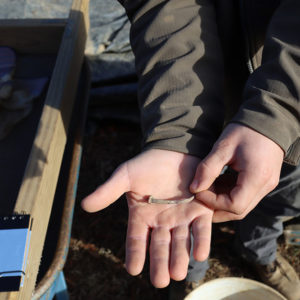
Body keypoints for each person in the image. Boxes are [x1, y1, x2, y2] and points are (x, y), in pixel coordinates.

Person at [81, 0, 300, 299]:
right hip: (201, 91)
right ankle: (190, 274)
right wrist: (177, 131)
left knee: (284, 198)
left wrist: (281, 109)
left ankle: (259, 250)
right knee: (197, 215)